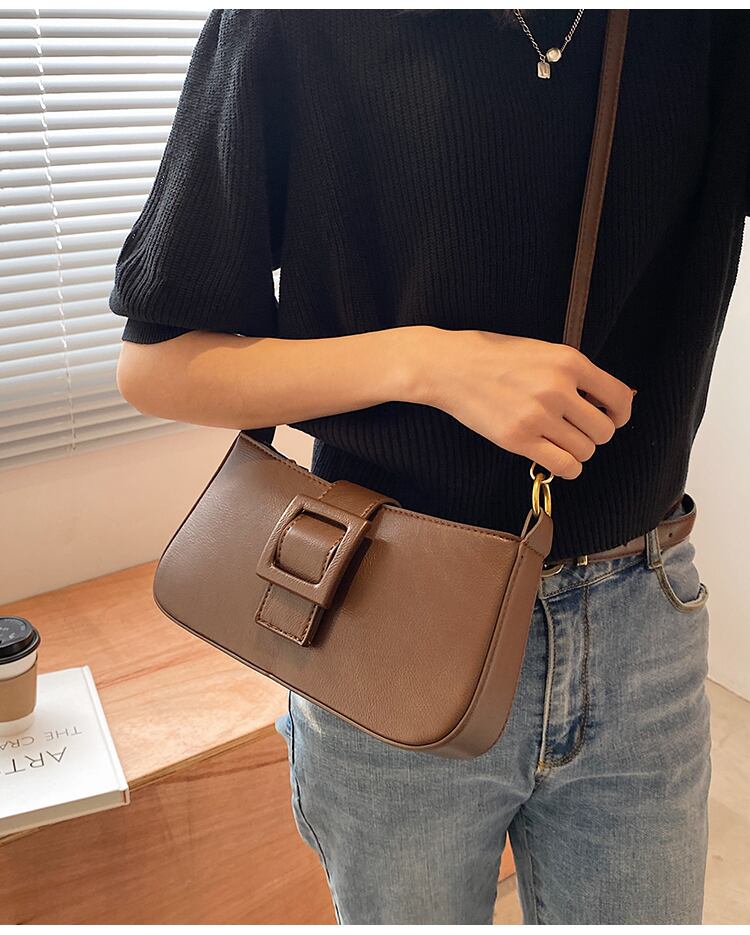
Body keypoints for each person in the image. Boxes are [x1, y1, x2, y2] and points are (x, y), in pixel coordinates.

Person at [110, 9, 750, 924]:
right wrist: (432, 364)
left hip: (642, 617)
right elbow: (159, 364)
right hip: (385, 614)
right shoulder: (298, 25)